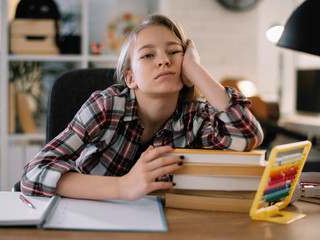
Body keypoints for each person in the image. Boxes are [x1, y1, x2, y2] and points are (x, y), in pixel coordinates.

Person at [21, 14, 263, 200]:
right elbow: (33, 174)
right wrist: (123, 186)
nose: (163, 60)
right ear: (130, 79)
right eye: (148, 55)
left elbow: (247, 136)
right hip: (92, 213)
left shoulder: (195, 116)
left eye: (174, 52)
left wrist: (196, 71)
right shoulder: (107, 106)